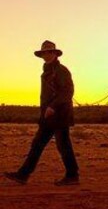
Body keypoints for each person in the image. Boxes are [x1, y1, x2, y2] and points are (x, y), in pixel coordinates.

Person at [4, 41, 79, 186]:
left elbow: (67, 92)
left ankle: (72, 176)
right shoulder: (47, 71)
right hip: (48, 116)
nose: (46, 54)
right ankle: (23, 175)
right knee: (38, 144)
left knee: (63, 145)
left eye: (49, 52)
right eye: (44, 52)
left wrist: (52, 106)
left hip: (60, 115)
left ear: (55, 53)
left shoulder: (61, 71)